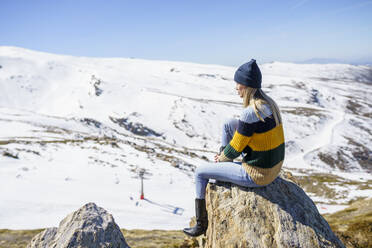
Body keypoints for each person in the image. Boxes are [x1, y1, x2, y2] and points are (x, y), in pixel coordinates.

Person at [183, 59, 285, 237]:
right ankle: (224, 168)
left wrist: (222, 158)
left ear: (245, 86)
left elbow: (237, 147)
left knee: (200, 172)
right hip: (272, 168)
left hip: (257, 175)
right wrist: (225, 156)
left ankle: (201, 224)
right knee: (228, 124)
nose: (236, 88)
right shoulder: (269, 104)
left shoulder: (251, 112)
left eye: (237, 84)